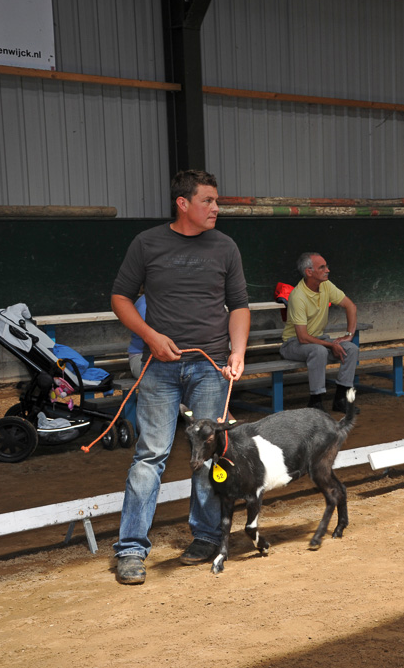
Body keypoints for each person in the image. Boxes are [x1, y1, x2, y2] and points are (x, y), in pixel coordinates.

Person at [110, 170, 250, 585]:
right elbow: (120, 297)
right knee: (150, 454)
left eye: (217, 201)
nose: (216, 208)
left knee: (208, 454)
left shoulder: (225, 246)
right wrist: (150, 337)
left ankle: (207, 536)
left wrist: (238, 352)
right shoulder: (147, 243)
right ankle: (131, 550)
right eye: (207, 201)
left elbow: (239, 305)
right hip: (160, 366)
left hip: (211, 366)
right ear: (183, 203)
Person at [279, 252, 359, 413]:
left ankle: (341, 399)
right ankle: (315, 402)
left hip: (319, 340)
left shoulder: (326, 285)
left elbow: (351, 306)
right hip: (293, 343)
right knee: (319, 351)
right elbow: (302, 337)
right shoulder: (298, 296)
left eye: (326, 266)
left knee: (351, 349)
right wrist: (331, 344)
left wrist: (349, 335)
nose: (327, 270)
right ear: (309, 272)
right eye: (322, 267)